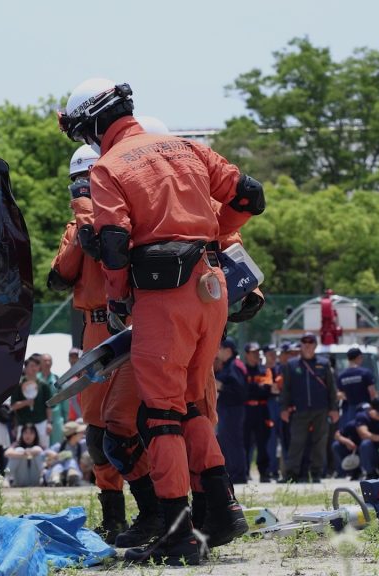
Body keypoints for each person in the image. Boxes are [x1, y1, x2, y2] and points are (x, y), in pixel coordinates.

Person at [59, 78, 261, 564]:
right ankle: (221, 511)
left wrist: (119, 300)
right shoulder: (189, 147)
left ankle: (177, 533)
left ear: (93, 124)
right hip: (211, 289)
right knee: (191, 406)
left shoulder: (109, 167)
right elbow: (250, 196)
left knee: (160, 415)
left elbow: (113, 243)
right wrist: (210, 237)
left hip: (162, 297)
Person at [47, 144, 135, 543]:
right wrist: (83, 224)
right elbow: (59, 275)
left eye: (89, 179)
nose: (84, 188)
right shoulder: (76, 229)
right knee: (97, 431)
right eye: (79, 182)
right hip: (95, 329)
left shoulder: (131, 219)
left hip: (128, 324)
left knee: (140, 424)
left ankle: (161, 511)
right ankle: (114, 516)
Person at [280, 333, 338, 482]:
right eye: (304, 342)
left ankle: (316, 473)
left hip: (321, 409)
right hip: (300, 409)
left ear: (315, 345)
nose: (307, 345)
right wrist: (284, 408)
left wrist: (334, 408)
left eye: (310, 342)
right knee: (296, 442)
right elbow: (286, 389)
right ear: (301, 345)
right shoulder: (291, 364)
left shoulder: (324, 363)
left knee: (320, 442)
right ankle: (291, 474)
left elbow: (332, 388)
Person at [215, 339, 248, 484]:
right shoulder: (228, 366)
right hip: (226, 409)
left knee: (233, 441)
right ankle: (232, 472)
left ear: (228, 350)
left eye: (219, 348)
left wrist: (221, 387)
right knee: (226, 441)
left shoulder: (234, 366)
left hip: (233, 410)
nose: (217, 351)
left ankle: (238, 474)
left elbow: (241, 392)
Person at [243, 342, 275, 482]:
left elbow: (267, 390)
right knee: (245, 442)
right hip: (246, 409)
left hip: (262, 410)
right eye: (253, 352)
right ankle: (244, 472)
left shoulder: (265, 370)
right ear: (246, 354)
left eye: (257, 352)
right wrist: (257, 387)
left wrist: (252, 387)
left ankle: (264, 472)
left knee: (263, 442)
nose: (256, 355)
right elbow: (243, 390)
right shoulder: (242, 370)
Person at [10, 355, 53, 448]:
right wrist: (26, 402)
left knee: (43, 450)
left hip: (41, 423)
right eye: (32, 366)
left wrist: (49, 423)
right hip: (23, 424)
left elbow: (48, 406)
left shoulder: (44, 385)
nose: (34, 368)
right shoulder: (18, 385)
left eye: (37, 366)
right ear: (25, 368)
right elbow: (13, 406)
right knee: (21, 449)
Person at [337, 347, 377, 429]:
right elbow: (372, 393)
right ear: (359, 357)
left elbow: (339, 394)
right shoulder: (365, 373)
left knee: (352, 430)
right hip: (365, 407)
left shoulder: (342, 376)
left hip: (350, 409)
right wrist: (375, 408)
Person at [45, 421, 88, 487]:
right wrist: (53, 455)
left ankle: (72, 477)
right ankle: (55, 481)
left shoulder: (81, 445)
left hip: (74, 471)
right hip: (57, 472)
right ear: (73, 435)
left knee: (71, 462)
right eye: (80, 433)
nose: (82, 434)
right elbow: (45, 454)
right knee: (58, 466)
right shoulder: (59, 446)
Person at [264, 344, 284, 482]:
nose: (273, 355)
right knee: (270, 440)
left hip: (280, 404)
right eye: (270, 353)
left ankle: (284, 470)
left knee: (284, 438)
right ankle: (271, 469)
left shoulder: (280, 368)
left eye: (274, 353)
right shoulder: (262, 370)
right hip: (268, 405)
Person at [38, 354, 68, 446]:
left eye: (49, 361)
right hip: (39, 418)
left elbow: (64, 400)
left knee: (57, 445)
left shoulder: (57, 379)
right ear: (40, 363)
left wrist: (66, 420)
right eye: (45, 361)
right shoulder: (35, 379)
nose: (47, 363)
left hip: (56, 419)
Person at [5, 423, 46, 487]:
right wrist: (22, 454)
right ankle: (6, 479)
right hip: (20, 479)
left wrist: (29, 452)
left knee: (37, 449)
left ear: (35, 435)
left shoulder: (39, 445)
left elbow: (41, 451)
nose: (28, 436)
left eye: (31, 433)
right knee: (19, 450)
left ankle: (44, 477)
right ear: (22, 434)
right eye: (25, 433)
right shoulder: (17, 444)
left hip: (35, 479)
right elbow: (7, 453)